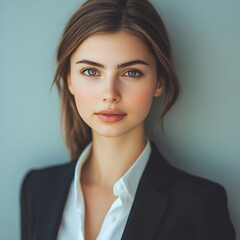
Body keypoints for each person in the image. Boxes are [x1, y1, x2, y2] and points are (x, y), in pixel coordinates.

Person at [20, 0, 235, 239]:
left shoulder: (200, 205)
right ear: (69, 79)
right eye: (91, 71)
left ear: (159, 82)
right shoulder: (37, 190)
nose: (110, 94)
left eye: (131, 73)